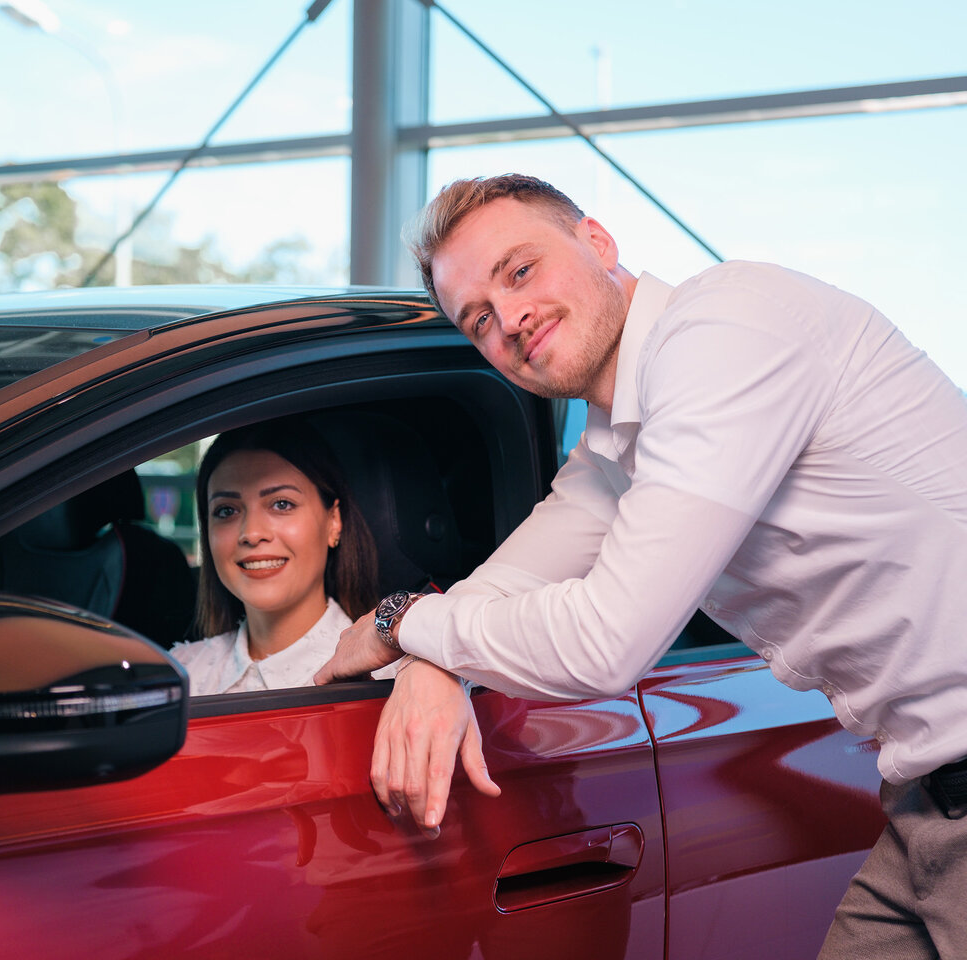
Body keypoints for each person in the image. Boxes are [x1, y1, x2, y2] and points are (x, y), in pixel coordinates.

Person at [314, 173, 967, 957]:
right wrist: (429, 658)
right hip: (927, 799)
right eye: (478, 320)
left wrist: (403, 622)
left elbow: (605, 641)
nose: (510, 321)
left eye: (519, 272)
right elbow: (512, 580)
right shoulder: (615, 446)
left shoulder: (726, 329)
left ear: (598, 241)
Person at [172, 418, 394, 694]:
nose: (251, 533)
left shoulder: (393, 679)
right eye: (226, 511)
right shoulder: (180, 676)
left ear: (333, 521)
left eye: (281, 504)